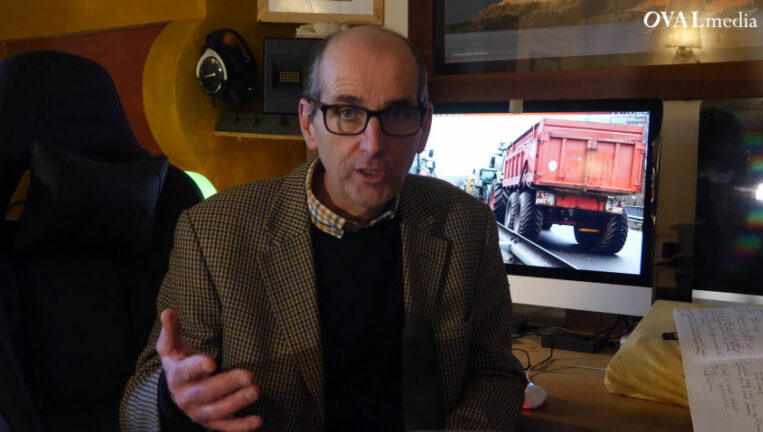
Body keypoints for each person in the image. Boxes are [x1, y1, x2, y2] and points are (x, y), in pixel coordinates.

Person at [121, 25, 526, 431]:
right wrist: (172, 401)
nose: (373, 145)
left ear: (424, 127)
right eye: (347, 112)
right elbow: (135, 410)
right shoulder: (213, 233)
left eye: (398, 113)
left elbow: (496, 375)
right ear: (307, 123)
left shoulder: (466, 224)